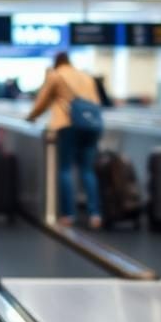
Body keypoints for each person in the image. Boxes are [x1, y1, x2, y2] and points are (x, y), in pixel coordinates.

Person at [27, 52, 103, 229]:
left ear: (57, 62)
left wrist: (31, 117)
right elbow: (96, 101)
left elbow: (43, 101)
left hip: (68, 124)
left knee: (66, 169)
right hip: (92, 125)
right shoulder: (86, 76)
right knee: (87, 169)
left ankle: (69, 214)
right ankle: (95, 214)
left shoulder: (56, 75)